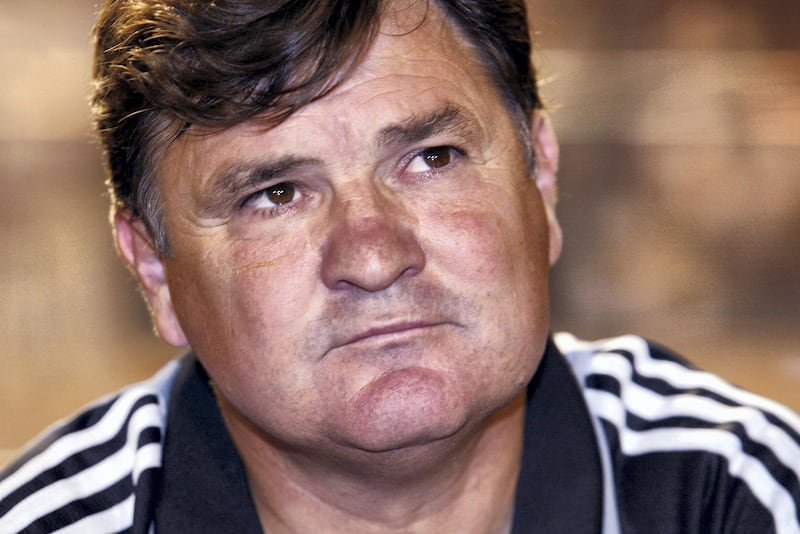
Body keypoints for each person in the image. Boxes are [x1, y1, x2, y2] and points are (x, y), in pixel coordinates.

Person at [1, 0, 798, 532]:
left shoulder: (740, 497)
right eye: (276, 194)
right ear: (151, 267)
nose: (376, 257)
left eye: (431, 158)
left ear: (541, 176)